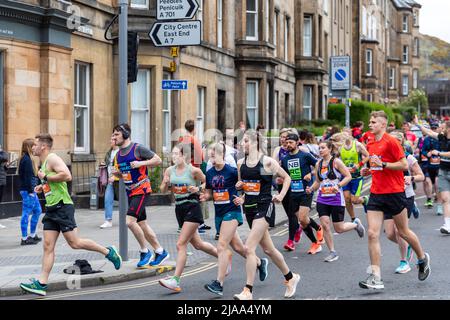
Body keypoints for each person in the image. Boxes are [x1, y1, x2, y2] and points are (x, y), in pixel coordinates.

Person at [20, 134, 122, 296]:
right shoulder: (44, 162)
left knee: (75, 243)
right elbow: (54, 181)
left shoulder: (52, 158)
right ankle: (41, 284)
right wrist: (43, 185)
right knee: (47, 246)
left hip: (62, 207)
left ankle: (109, 252)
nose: (33, 147)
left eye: (35, 145)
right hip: (52, 208)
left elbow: (67, 175)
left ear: (43, 147)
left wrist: (45, 177)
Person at [359, 111, 430, 290]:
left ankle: (422, 258)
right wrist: (369, 170)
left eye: (373, 122)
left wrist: (384, 165)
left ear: (383, 124)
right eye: (370, 121)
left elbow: (404, 165)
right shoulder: (371, 142)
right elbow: (375, 164)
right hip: (376, 193)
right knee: (372, 233)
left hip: (395, 193)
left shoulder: (391, 141)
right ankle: (375, 277)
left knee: (403, 232)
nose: (370, 124)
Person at [233, 130, 300, 300]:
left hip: (265, 206)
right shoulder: (241, 163)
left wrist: (281, 195)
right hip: (249, 207)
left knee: (248, 248)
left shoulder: (267, 162)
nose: (242, 144)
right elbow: (245, 186)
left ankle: (247, 290)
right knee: (269, 250)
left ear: (255, 142)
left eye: (246, 141)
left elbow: (287, 178)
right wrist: (241, 194)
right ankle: (291, 278)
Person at [201, 143, 269, 296]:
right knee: (239, 248)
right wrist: (203, 196)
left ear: (222, 155)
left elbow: (247, 185)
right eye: (209, 155)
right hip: (219, 213)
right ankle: (259, 262)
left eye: (213, 155)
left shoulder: (232, 171)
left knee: (221, 246)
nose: (211, 158)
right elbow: (209, 194)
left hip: (232, 212)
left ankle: (219, 283)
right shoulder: (210, 173)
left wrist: (242, 196)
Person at [158, 144, 218, 293]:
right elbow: (163, 190)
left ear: (184, 156)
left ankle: (175, 281)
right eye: (172, 154)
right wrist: (165, 182)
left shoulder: (193, 171)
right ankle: (223, 256)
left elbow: (208, 182)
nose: (174, 157)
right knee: (198, 244)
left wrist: (197, 189)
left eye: (176, 154)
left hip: (192, 207)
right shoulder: (169, 170)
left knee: (180, 244)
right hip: (179, 209)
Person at [112, 124, 169, 268]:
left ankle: (145, 251)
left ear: (125, 135)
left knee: (130, 222)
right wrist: (117, 174)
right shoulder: (118, 155)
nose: (114, 137)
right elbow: (124, 174)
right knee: (142, 224)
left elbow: (158, 160)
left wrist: (140, 163)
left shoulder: (137, 148)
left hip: (142, 190)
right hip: (130, 191)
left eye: (116, 134)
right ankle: (160, 251)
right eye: (113, 135)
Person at [307, 140, 365, 262]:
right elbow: (318, 181)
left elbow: (348, 176)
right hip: (322, 199)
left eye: (323, 148)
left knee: (339, 228)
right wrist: (311, 188)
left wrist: (338, 186)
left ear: (329, 149)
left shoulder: (336, 162)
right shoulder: (318, 164)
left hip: (336, 199)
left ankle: (355, 225)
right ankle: (332, 252)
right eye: (319, 148)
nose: (320, 150)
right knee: (325, 225)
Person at [385, 131, 425, 274]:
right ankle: (409, 245)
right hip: (388, 196)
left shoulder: (408, 158)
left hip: (405, 196)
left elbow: (421, 176)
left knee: (399, 231)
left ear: (400, 143)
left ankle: (404, 262)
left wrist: (411, 179)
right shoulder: (385, 158)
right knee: (389, 233)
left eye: (394, 141)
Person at [280, 133, 320, 253]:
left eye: (291, 142)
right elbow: (286, 176)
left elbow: (319, 165)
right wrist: (281, 179)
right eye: (286, 143)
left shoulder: (305, 155)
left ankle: (317, 233)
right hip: (293, 192)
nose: (288, 145)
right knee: (302, 221)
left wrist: (311, 173)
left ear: (297, 143)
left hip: (306, 190)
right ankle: (315, 240)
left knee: (302, 218)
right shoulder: (285, 159)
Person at [413, 116, 450, 233]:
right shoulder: (442, 137)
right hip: (443, 172)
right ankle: (447, 225)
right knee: (444, 198)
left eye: (442, 127)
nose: (440, 128)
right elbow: (428, 132)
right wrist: (417, 124)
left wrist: (439, 153)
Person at [273, 129, 303, 251]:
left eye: (285, 137)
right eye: (281, 137)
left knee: (292, 213)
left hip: (295, 185)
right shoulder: (278, 150)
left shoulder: (300, 150)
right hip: (283, 184)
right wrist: (277, 177)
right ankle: (297, 228)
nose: (283, 139)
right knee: (288, 211)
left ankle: (290, 241)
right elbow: (273, 166)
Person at [179, 120, 211, 233]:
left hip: (183, 171)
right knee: (198, 196)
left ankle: (186, 222)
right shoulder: (193, 140)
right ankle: (199, 223)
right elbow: (199, 158)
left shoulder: (182, 139)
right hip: (193, 171)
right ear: (194, 128)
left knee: (185, 196)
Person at [336, 132, 370, 221]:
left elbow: (367, 156)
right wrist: (342, 167)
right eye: (342, 136)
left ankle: (365, 199)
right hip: (346, 177)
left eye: (346, 135)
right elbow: (335, 160)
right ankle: (353, 218)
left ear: (349, 136)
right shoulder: (340, 147)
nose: (344, 138)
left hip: (357, 177)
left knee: (354, 200)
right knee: (347, 198)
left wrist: (359, 165)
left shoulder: (358, 145)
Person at [18, 138, 42, 245]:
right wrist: (31, 191)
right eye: (34, 145)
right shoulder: (26, 160)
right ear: (29, 147)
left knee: (37, 211)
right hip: (28, 191)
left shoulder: (27, 158)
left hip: (31, 190)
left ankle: (32, 235)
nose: (35, 147)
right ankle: (24, 238)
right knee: (26, 213)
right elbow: (27, 178)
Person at [421, 122, 442, 214]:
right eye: (432, 128)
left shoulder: (441, 139)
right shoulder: (426, 139)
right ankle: (429, 199)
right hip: (428, 165)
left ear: (438, 129)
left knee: (437, 184)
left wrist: (440, 154)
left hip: (439, 166)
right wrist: (427, 154)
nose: (433, 130)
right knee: (428, 182)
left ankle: (439, 206)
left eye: (435, 128)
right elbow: (423, 150)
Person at [100, 135, 120, 229]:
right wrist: (104, 164)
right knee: (108, 199)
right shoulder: (109, 152)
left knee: (126, 201)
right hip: (110, 181)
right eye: (111, 139)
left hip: (120, 181)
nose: (110, 141)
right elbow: (109, 164)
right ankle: (108, 220)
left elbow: (123, 167)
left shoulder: (121, 152)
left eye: (112, 139)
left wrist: (116, 176)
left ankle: (132, 219)